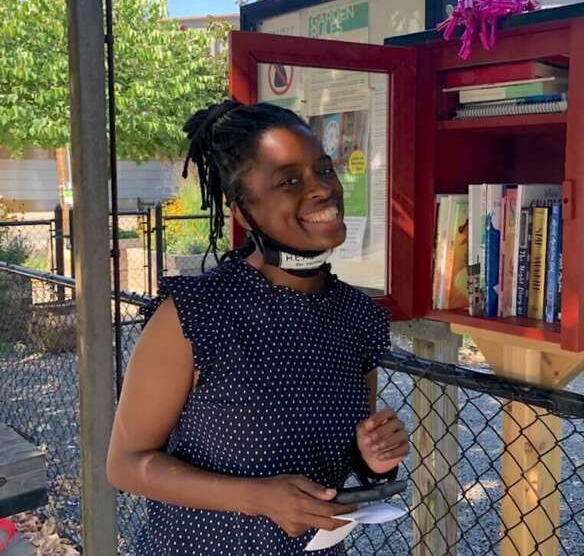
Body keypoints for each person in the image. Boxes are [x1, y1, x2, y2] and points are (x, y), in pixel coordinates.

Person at [106, 101, 409, 555]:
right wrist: (258, 498)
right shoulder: (197, 312)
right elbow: (126, 464)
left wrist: (374, 460)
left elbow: (339, 458)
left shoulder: (356, 318)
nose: (322, 189)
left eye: (323, 170)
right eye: (289, 181)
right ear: (244, 210)